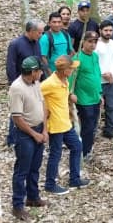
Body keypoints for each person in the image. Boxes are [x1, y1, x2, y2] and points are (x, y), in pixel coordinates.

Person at [7, 56, 48, 221]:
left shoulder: (36, 83)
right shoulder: (17, 88)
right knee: (22, 170)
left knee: (35, 167)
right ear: (32, 72)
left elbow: (43, 104)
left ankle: (33, 196)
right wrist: (34, 134)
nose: (40, 74)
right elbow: (17, 118)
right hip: (25, 134)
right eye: (39, 71)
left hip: (39, 128)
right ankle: (17, 205)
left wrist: (45, 129)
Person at [40, 56, 87, 196]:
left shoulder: (65, 80)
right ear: (65, 70)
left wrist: (70, 95)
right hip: (55, 125)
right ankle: (50, 184)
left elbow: (62, 95)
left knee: (77, 147)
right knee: (56, 154)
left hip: (66, 122)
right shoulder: (49, 83)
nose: (73, 70)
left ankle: (74, 179)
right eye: (71, 68)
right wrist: (44, 116)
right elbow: (36, 96)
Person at [71, 32, 103, 160]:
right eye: (90, 41)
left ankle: (88, 149)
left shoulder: (95, 56)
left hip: (95, 97)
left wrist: (100, 93)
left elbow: (97, 74)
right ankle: (83, 152)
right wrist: (70, 93)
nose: (92, 44)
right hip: (83, 99)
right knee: (87, 126)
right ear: (83, 42)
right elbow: (71, 78)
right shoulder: (77, 58)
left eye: (95, 42)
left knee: (93, 125)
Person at [95, 20, 113, 140]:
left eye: (110, 30)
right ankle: (92, 130)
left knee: (112, 106)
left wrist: (111, 73)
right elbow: (94, 62)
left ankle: (110, 129)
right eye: (106, 30)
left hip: (112, 80)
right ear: (100, 31)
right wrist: (103, 73)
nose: (108, 33)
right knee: (96, 106)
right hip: (98, 81)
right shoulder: (95, 44)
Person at [37, 11, 74, 78]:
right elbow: (43, 57)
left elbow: (70, 51)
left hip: (66, 73)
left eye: (59, 22)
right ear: (49, 23)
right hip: (53, 73)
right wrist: (49, 73)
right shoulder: (45, 38)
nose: (57, 24)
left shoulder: (65, 34)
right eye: (54, 22)